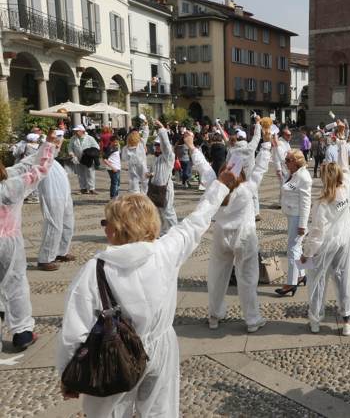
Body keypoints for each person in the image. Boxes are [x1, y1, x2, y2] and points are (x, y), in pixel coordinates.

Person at [55, 163, 237, 416]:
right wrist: (220, 186)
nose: (103, 227)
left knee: (109, 412)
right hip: (161, 346)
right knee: (160, 411)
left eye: (105, 221)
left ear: (116, 230)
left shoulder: (95, 269)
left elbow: (75, 331)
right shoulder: (166, 250)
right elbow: (197, 221)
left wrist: (68, 374)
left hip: (113, 352)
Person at [190, 130, 271, 333]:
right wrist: (267, 144)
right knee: (248, 278)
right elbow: (260, 169)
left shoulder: (214, 186)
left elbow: (204, 169)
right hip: (244, 235)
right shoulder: (246, 190)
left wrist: (192, 147)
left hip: (220, 235)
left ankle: (214, 315)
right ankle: (252, 320)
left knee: (217, 277)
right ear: (241, 175)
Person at [0, 130, 60, 350]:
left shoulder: (9, 182)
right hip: (9, 242)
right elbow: (36, 171)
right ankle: (23, 332)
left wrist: (47, 146)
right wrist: (50, 148)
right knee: (15, 284)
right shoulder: (10, 187)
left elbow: (23, 166)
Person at [300, 122, 350, 335]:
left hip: (325, 245)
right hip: (343, 241)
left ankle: (315, 320)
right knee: (343, 279)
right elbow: (346, 167)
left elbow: (316, 233)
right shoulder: (347, 190)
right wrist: (341, 142)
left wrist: (306, 254)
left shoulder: (322, 203)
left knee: (317, 281)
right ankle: (346, 320)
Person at [274, 145, 312, 296]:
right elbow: (278, 160)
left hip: (298, 217)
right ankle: (302, 275)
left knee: (293, 249)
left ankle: (291, 283)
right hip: (292, 214)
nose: (286, 162)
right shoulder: (292, 173)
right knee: (298, 247)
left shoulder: (303, 177)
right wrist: (274, 145)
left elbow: (306, 203)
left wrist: (303, 225)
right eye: (286, 159)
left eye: (288, 160)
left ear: (296, 162)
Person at [37, 135, 75, 272]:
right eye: (56, 145)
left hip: (64, 198)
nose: (58, 147)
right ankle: (45, 259)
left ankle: (61, 251)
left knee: (67, 225)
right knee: (53, 226)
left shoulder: (56, 163)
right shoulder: (42, 161)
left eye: (59, 144)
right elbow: (44, 152)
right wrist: (50, 142)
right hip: (53, 197)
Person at [148, 120, 178, 234]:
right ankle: (163, 231)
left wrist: (161, 129)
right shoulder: (156, 158)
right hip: (156, 188)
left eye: (158, 145)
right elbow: (155, 171)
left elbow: (166, 146)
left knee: (168, 210)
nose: (156, 147)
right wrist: (150, 175)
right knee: (159, 211)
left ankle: (175, 232)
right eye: (155, 145)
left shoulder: (168, 157)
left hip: (165, 188)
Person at [69, 125, 99, 195]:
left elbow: (96, 147)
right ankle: (83, 188)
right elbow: (70, 148)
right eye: (75, 131)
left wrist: (89, 152)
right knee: (80, 174)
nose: (75, 132)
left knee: (90, 173)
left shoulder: (89, 138)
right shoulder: (73, 138)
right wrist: (72, 155)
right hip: (78, 158)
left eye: (77, 131)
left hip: (88, 158)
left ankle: (92, 188)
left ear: (82, 131)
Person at [121, 124, 149, 194]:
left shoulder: (126, 147)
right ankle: (144, 194)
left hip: (132, 165)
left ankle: (135, 193)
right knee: (145, 180)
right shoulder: (141, 144)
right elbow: (146, 135)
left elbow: (124, 158)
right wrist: (146, 126)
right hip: (142, 164)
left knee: (134, 180)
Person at [103, 135, 122, 199]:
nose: (116, 143)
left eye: (117, 142)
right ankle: (113, 197)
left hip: (117, 167)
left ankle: (115, 196)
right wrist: (112, 167)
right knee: (115, 183)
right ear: (111, 142)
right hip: (113, 168)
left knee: (117, 183)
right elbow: (105, 159)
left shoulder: (116, 147)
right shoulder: (110, 148)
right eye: (115, 142)